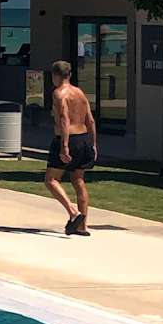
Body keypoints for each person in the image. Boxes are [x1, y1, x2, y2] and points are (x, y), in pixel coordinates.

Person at [43, 58, 98, 236]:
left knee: (51, 180)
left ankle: (73, 213)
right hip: (83, 138)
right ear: (70, 74)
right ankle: (82, 226)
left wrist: (64, 146)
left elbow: (64, 119)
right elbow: (90, 120)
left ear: (55, 76)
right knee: (78, 180)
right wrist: (93, 144)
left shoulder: (59, 94)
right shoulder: (79, 92)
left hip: (68, 139)